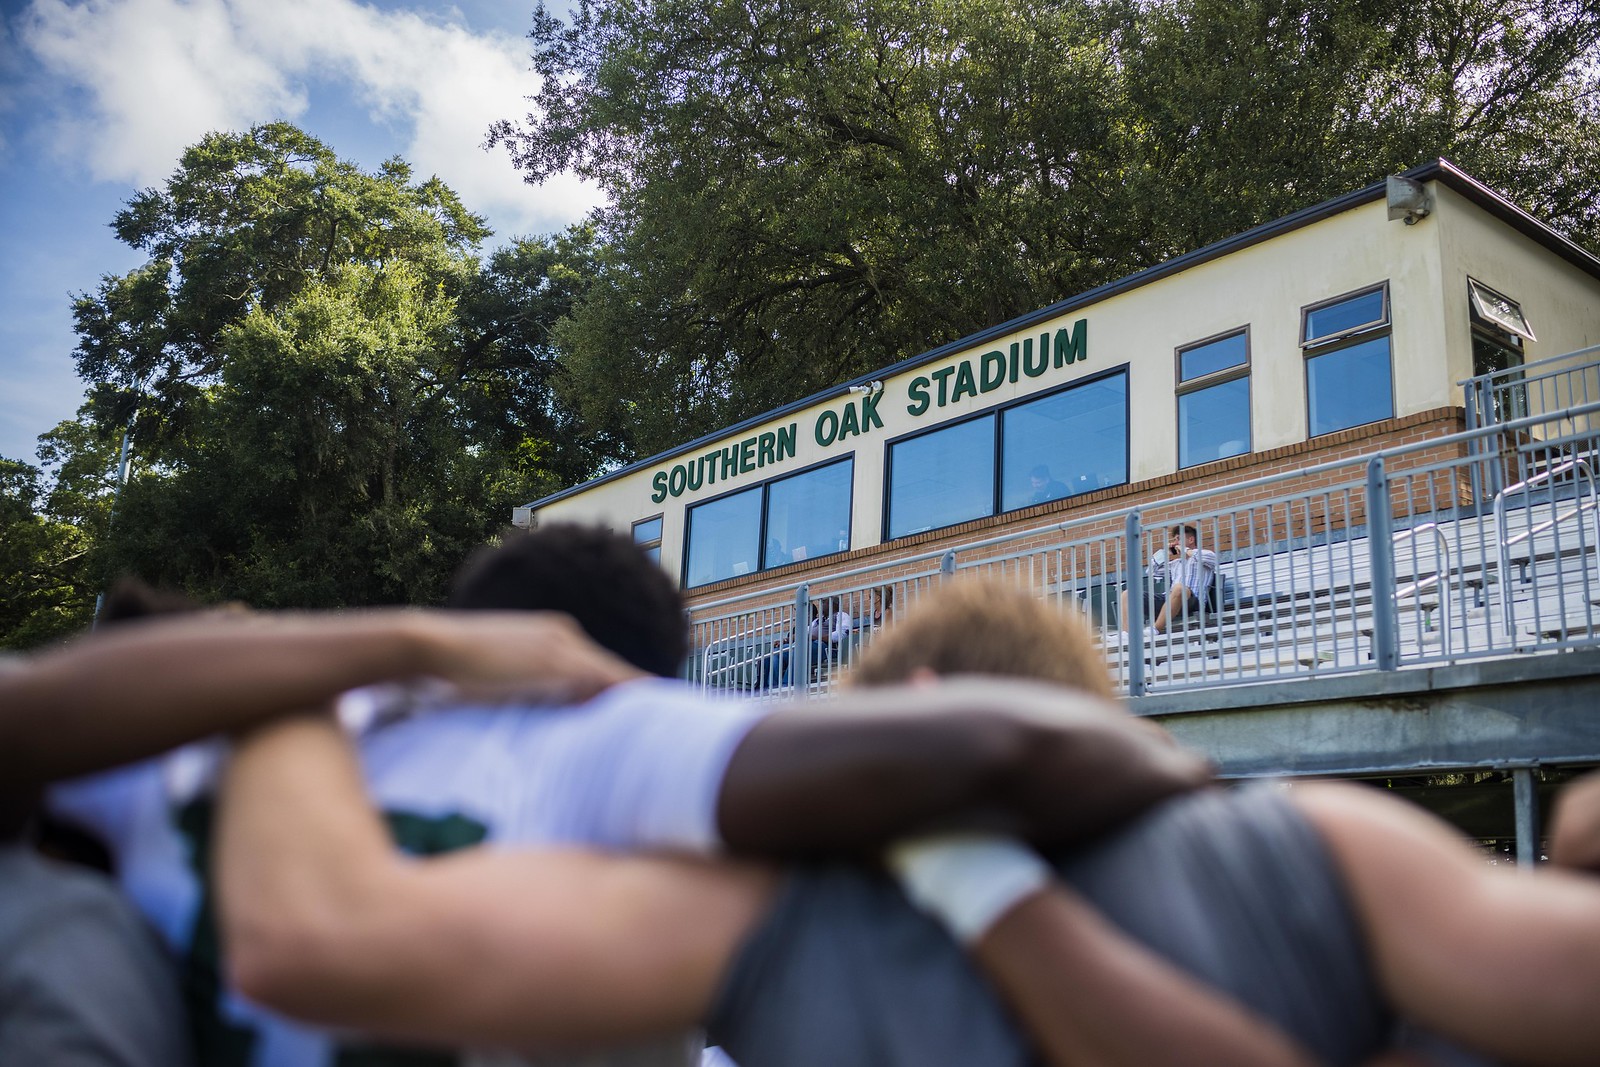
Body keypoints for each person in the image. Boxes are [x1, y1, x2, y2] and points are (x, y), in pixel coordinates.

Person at [217, 579, 1600, 1067]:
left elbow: (312, 935)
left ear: (905, 706)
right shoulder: (1313, 845)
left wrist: (297, 676)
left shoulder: (739, 910)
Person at [21, 539, 1210, 1067]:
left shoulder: (200, 738)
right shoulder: (627, 736)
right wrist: (1184, 778)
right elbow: (1004, 752)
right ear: (625, 666)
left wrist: (353, 648)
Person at [1117, 522, 1218, 641]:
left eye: (1179, 539)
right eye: (1174, 540)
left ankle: (1155, 629)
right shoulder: (1175, 564)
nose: (1175, 543)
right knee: (1127, 594)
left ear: (1191, 539)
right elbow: (1151, 571)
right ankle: (1126, 633)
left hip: (1193, 601)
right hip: (1170, 599)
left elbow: (1210, 559)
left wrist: (1185, 550)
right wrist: (1165, 553)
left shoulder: (1206, 554)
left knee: (1179, 588)